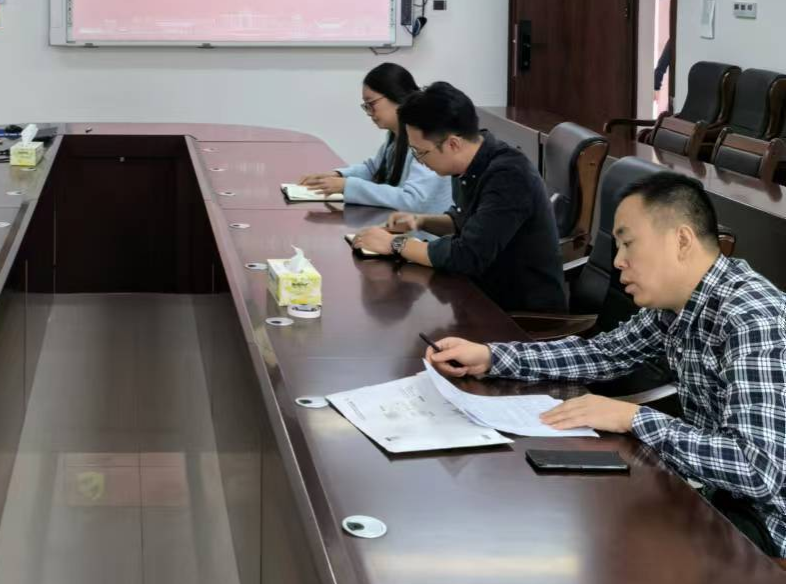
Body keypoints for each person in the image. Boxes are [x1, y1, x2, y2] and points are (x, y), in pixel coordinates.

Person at [425, 172, 786, 557]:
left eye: (629, 244)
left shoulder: (752, 320)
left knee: (599, 543)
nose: (618, 261)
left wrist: (633, 418)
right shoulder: (677, 305)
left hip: (768, 523)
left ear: (681, 240)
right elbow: (603, 354)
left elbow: (757, 470)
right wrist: (492, 356)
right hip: (716, 493)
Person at [352, 81, 566, 313]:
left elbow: (467, 256)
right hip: (480, 294)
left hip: (519, 314)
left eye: (420, 152)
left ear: (453, 143)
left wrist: (395, 244)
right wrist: (420, 221)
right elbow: (465, 221)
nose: (420, 161)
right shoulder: (469, 162)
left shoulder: (509, 177)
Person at [298, 63, 452, 212]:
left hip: (425, 227)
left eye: (371, 104)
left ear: (396, 95)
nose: (369, 112)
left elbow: (413, 200)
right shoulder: (395, 134)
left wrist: (348, 186)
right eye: (366, 106)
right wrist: (337, 176)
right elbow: (374, 168)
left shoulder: (424, 139)